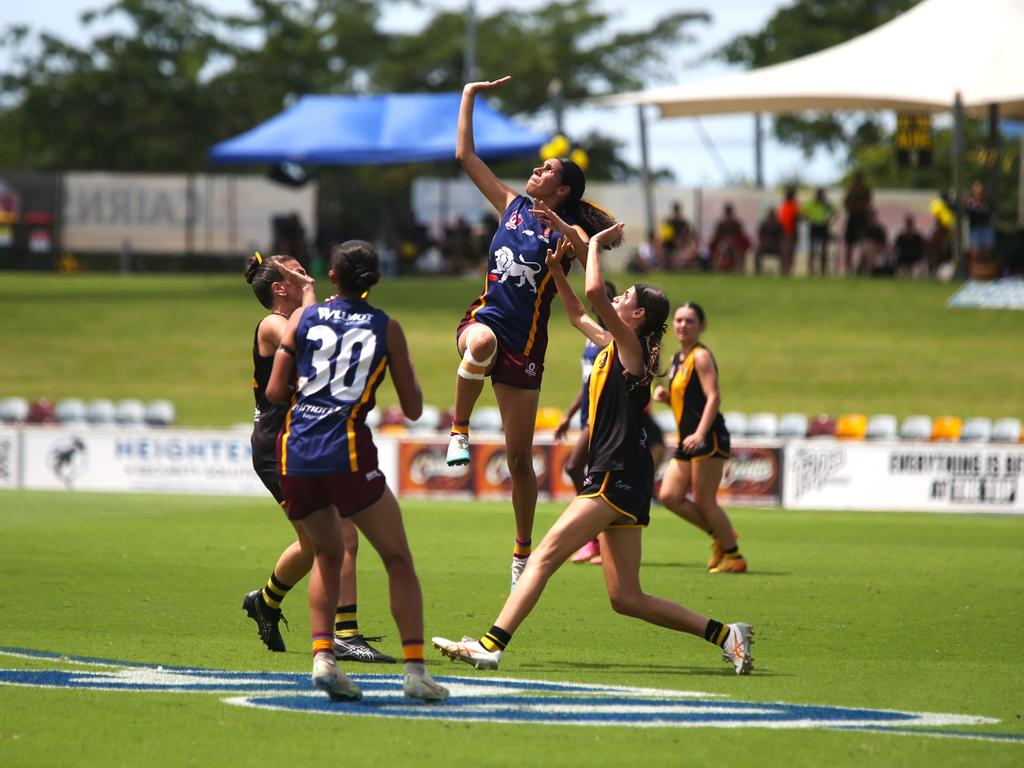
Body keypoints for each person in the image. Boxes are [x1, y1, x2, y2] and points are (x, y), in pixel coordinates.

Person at [432, 228, 754, 676]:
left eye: (625, 298)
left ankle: (491, 644)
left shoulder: (631, 347)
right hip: (625, 476)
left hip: (614, 473)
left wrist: (594, 247)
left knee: (542, 556)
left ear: (637, 315)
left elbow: (594, 295)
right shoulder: (613, 345)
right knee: (627, 598)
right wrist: (553, 272)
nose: (616, 299)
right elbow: (577, 311)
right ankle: (726, 634)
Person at [446, 75, 618, 589]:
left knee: (520, 460)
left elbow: (588, 250)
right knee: (479, 342)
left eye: (547, 170)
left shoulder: (566, 234)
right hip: (485, 321)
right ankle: (459, 430)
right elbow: (464, 157)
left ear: (562, 189)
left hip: (526, 348)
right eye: (538, 166)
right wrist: (470, 96)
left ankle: (522, 550)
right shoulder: (511, 204)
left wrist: (564, 230)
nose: (535, 170)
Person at [265, 240, 448, 702]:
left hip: (296, 450)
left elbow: (273, 390)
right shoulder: (386, 328)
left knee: (327, 554)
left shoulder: (305, 318)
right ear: (376, 280)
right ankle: (415, 671)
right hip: (345, 451)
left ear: (332, 276)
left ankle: (324, 658)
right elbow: (411, 408)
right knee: (397, 557)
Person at [242, 253, 394, 664]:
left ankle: (266, 601)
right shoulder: (274, 325)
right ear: (280, 287)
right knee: (341, 535)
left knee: (313, 546)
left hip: (306, 439)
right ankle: (344, 634)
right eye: (294, 270)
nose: (304, 272)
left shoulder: (312, 312)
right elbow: (307, 337)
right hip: (278, 445)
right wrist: (314, 297)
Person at [653, 302, 747, 574]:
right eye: (679, 320)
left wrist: (701, 433)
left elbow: (713, 397)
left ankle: (734, 556)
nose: (682, 325)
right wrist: (668, 399)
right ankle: (723, 535)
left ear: (701, 326)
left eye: (689, 321)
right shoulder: (676, 360)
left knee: (705, 500)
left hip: (707, 437)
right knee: (669, 496)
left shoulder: (701, 356)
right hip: (688, 438)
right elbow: (689, 404)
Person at [552, 280, 618, 565]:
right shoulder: (591, 336)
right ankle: (601, 540)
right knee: (589, 474)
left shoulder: (615, 335)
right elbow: (587, 381)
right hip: (586, 415)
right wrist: (568, 414)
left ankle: (593, 537)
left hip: (600, 417)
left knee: (574, 467)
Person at [843, 172, 872, 275]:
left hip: (862, 219)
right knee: (849, 245)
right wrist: (855, 207)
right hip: (852, 219)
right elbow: (846, 204)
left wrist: (856, 207)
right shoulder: (850, 191)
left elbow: (866, 204)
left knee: (863, 244)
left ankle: (862, 268)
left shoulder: (865, 191)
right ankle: (848, 268)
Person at [964, 180, 996, 276]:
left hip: (986, 228)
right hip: (975, 229)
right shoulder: (970, 203)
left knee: (987, 251)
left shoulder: (986, 203)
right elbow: (969, 214)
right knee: (976, 252)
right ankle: (975, 271)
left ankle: (987, 271)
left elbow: (990, 213)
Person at [708, 203, 751, 273]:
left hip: (735, 245)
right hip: (722, 245)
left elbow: (741, 237)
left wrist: (732, 241)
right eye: (727, 214)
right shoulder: (720, 225)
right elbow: (716, 238)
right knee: (718, 251)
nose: (728, 216)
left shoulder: (736, 224)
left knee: (737, 251)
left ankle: (738, 269)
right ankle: (716, 269)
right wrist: (724, 241)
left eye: (730, 214)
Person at [803, 188, 835, 276]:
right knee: (812, 249)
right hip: (814, 226)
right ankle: (810, 271)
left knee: (824, 250)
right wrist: (808, 218)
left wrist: (830, 221)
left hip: (823, 227)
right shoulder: (811, 204)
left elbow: (835, 213)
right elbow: (803, 213)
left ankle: (823, 271)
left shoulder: (827, 205)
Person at [777, 186, 800, 276]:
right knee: (785, 252)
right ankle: (784, 270)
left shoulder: (794, 205)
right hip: (784, 232)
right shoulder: (784, 205)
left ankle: (788, 270)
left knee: (790, 252)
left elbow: (797, 218)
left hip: (792, 232)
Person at [754, 208, 784, 275]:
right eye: (770, 216)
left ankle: (783, 271)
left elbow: (781, 238)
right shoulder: (763, 225)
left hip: (775, 246)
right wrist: (766, 243)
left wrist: (774, 243)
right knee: (757, 252)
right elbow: (760, 237)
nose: (771, 218)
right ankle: (757, 271)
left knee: (783, 252)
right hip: (765, 245)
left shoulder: (778, 225)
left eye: (773, 216)